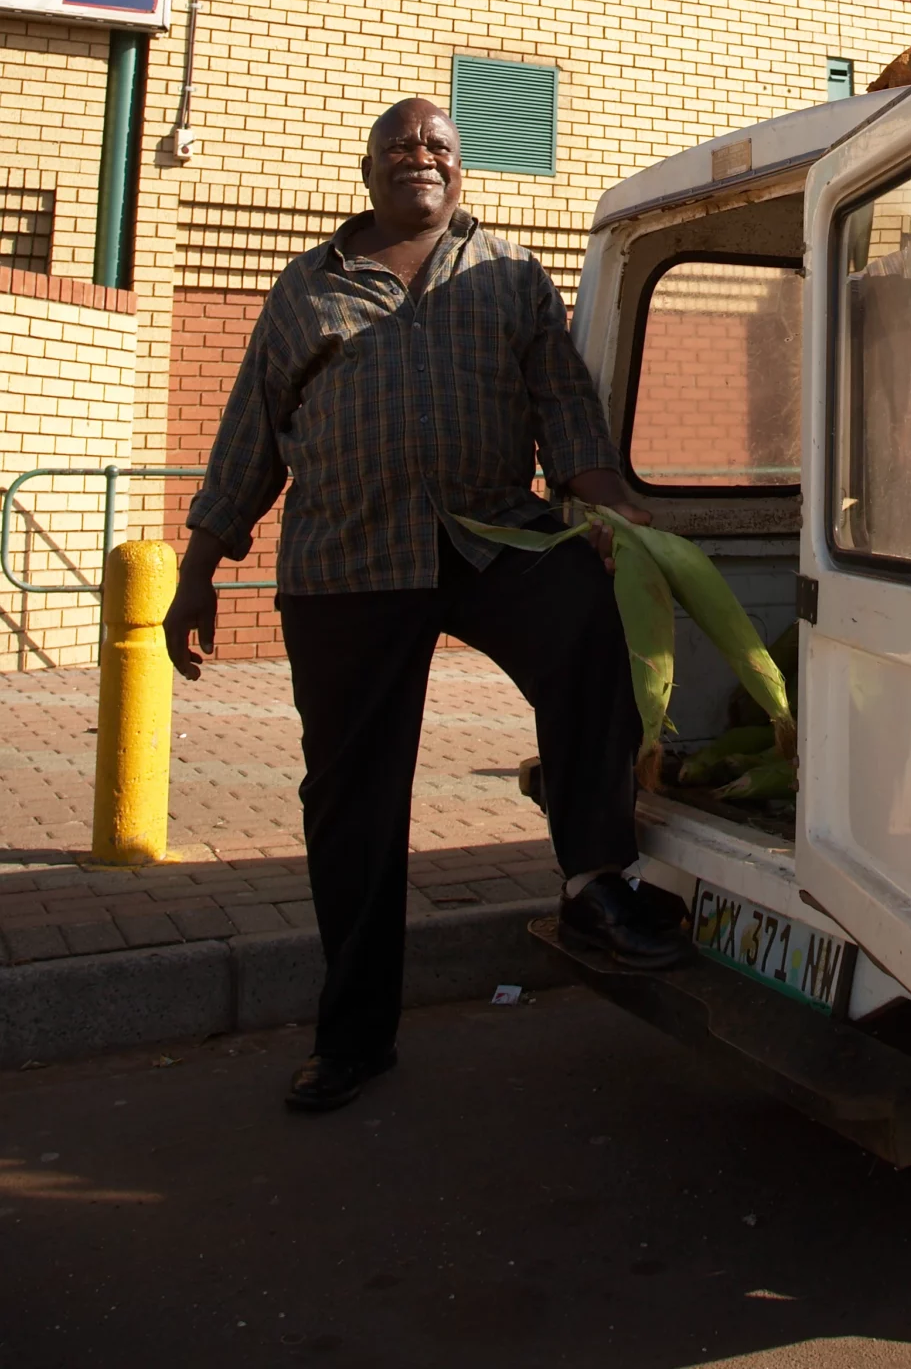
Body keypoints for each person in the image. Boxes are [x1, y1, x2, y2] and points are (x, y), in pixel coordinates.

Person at [164, 96, 689, 1117]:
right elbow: (249, 437)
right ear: (367, 173)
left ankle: (593, 882)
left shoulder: (508, 272)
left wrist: (615, 510)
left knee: (589, 620)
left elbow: (564, 408)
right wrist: (199, 567)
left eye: (439, 145)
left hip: (490, 534)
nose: (422, 155)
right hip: (347, 561)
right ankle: (354, 1038)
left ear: (459, 171)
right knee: (354, 802)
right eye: (400, 145)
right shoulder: (306, 289)